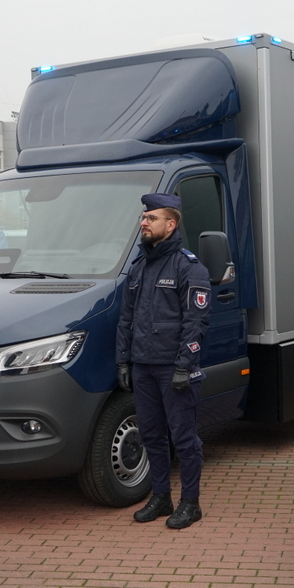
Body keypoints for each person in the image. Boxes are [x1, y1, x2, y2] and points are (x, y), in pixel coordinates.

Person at [116, 193, 213, 529]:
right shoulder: (139, 268)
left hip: (174, 369)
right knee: (151, 436)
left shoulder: (189, 268)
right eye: (143, 217)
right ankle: (161, 497)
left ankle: (190, 503)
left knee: (184, 439)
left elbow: (196, 322)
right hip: (143, 367)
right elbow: (126, 319)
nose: (144, 223)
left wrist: (185, 365)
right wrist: (123, 361)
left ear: (170, 225)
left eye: (151, 218)